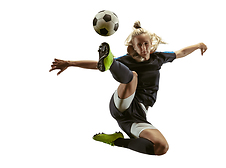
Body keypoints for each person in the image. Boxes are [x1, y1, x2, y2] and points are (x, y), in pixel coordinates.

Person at [50, 21, 207, 156]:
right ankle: (110, 62)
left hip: (135, 116)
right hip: (122, 103)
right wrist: (70, 63)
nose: (144, 48)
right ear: (133, 46)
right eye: (139, 45)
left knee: (161, 147)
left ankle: (116, 141)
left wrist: (198, 45)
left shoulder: (158, 58)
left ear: (151, 44)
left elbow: (180, 52)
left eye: (146, 44)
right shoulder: (127, 60)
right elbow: (96, 66)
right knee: (133, 76)